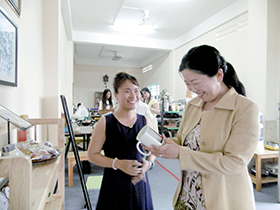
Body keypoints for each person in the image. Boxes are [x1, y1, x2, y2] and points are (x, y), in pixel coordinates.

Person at [144, 45, 260, 210]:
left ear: (219, 75)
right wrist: (162, 144)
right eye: (187, 84)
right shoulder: (193, 105)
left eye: (195, 82)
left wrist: (180, 153)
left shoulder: (244, 108)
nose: (191, 89)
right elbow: (182, 140)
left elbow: (235, 163)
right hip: (189, 195)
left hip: (222, 199)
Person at [87, 72, 155, 210]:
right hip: (114, 183)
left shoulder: (144, 121)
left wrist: (148, 164)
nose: (133, 96)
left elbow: (154, 149)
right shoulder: (106, 122)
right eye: (127, 91)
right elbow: (92, 155)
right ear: (116, 95)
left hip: (139, 182)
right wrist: (117, 163)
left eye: (136, 91)